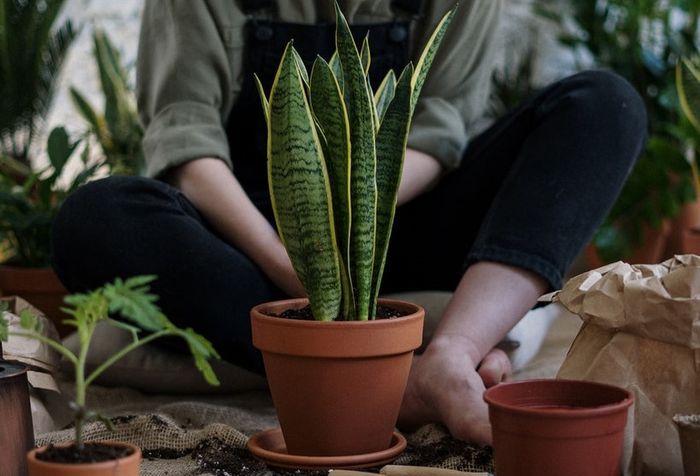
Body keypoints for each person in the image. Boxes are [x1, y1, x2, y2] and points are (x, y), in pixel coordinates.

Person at [51, 0, 647, 445]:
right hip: (249, 241)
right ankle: (388, 378)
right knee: (95, 218)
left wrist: (357, 227)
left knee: (604, 105)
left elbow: (438, 133)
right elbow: (187, 144)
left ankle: (451, 353)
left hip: (400, 221)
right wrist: (294, 264)